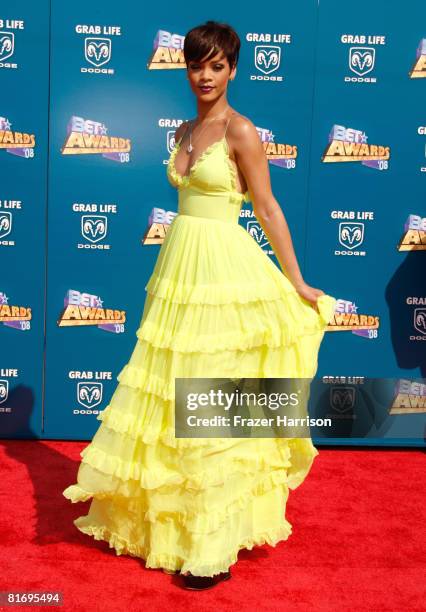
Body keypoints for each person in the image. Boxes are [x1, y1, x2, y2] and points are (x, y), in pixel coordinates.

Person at [62, 20, 336, 591]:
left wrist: (298, 280)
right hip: (179, 273)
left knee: (210, 398)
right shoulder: (186, 129)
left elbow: (267, 208)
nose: (205, 75)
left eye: (216, 65)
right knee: (171, 398)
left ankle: (211, 546)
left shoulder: (242, 131)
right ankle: (169, 529)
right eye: (196, 64)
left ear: (233, 69)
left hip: (222, 273)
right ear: (185, 68)